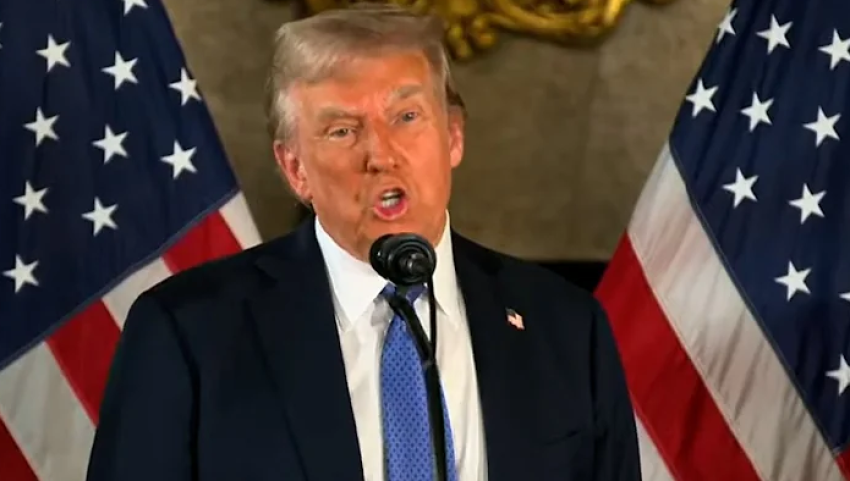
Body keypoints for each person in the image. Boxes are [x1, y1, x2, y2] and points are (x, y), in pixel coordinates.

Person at [85, 3, 642, 481]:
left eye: (406, 116)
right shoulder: (190, 332)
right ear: (295, 169)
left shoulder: (566, 328)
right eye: (342, 131)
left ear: (453, 137)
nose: (381, 154)